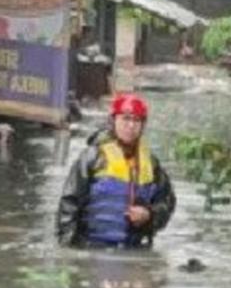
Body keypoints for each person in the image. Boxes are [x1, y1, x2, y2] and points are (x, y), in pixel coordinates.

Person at [56, 93, 176, 248]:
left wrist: (150, 215)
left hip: (133, 251)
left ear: (143, 125)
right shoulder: (93, 157)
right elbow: (69, 204)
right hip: (91, 247)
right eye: (125, 119)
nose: (131, 126)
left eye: (136, 120)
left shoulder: (151, 164)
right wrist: (67, 250)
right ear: (113, 121)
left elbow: (167, 202)